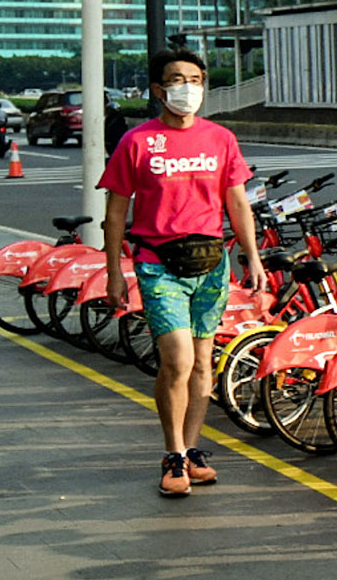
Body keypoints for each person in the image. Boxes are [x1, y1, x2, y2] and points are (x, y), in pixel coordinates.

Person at [100, 48, 266, 498]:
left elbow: (237, 202)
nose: (187, 88)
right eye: (177, 79)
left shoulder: (220, 139)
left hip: (211, 263)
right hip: (157, 263)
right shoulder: (137, 142)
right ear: (158, 89)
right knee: (177, 359)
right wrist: (114, 271)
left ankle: (192, 449)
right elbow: (115, 214)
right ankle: (172, 452)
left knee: (201, 365)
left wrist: (253, 256)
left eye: (195, 80)